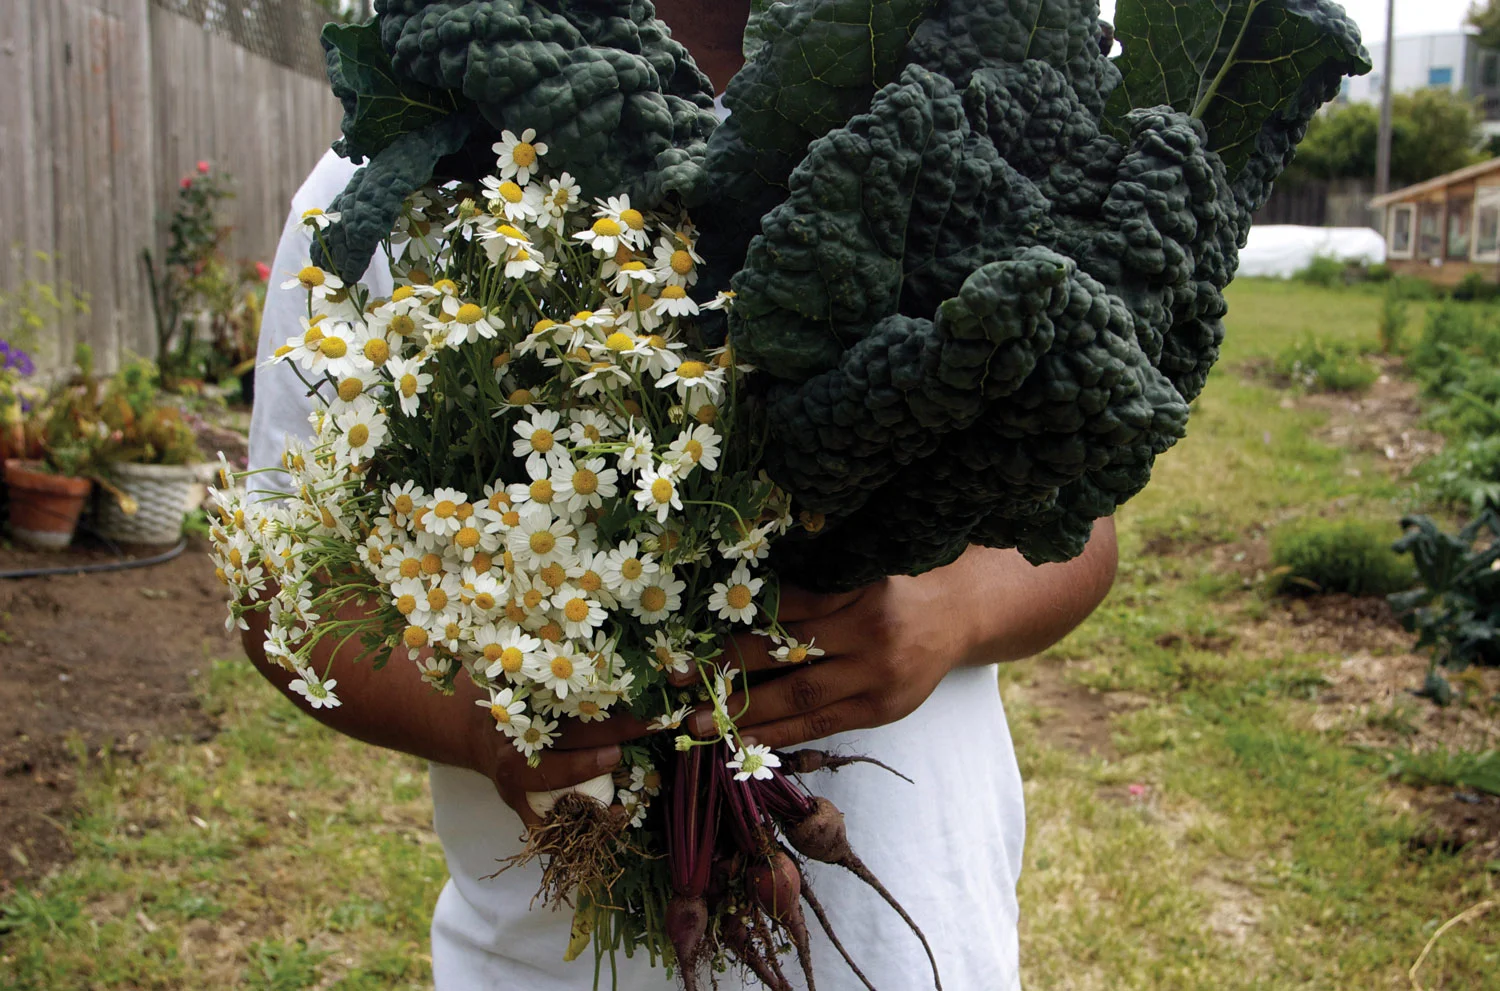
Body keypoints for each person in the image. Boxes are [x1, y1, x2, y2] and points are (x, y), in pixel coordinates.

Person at [244, 3, 1118, 988]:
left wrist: (955, 613)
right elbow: (284, 588)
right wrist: (484, 717)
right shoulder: (412, 152)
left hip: (923, 946)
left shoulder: (968, 117)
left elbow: (1080, 525)